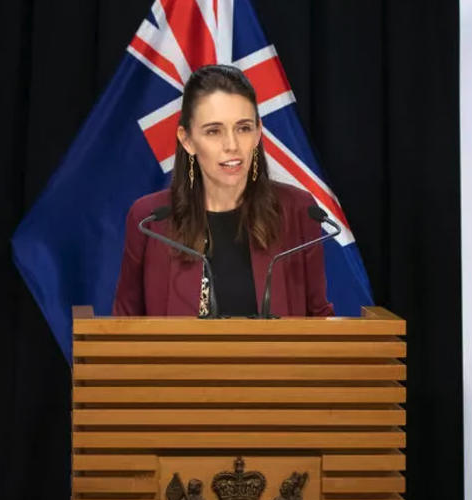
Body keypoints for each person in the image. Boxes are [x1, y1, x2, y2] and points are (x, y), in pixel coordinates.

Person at [112, 64, 333, 317]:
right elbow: (125, 323)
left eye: (243, 128)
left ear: (258, 133)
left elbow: (318, 318)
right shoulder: (150, 220)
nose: (232, 145)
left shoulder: (298, 211)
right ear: (187, 140)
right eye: (214, 131)